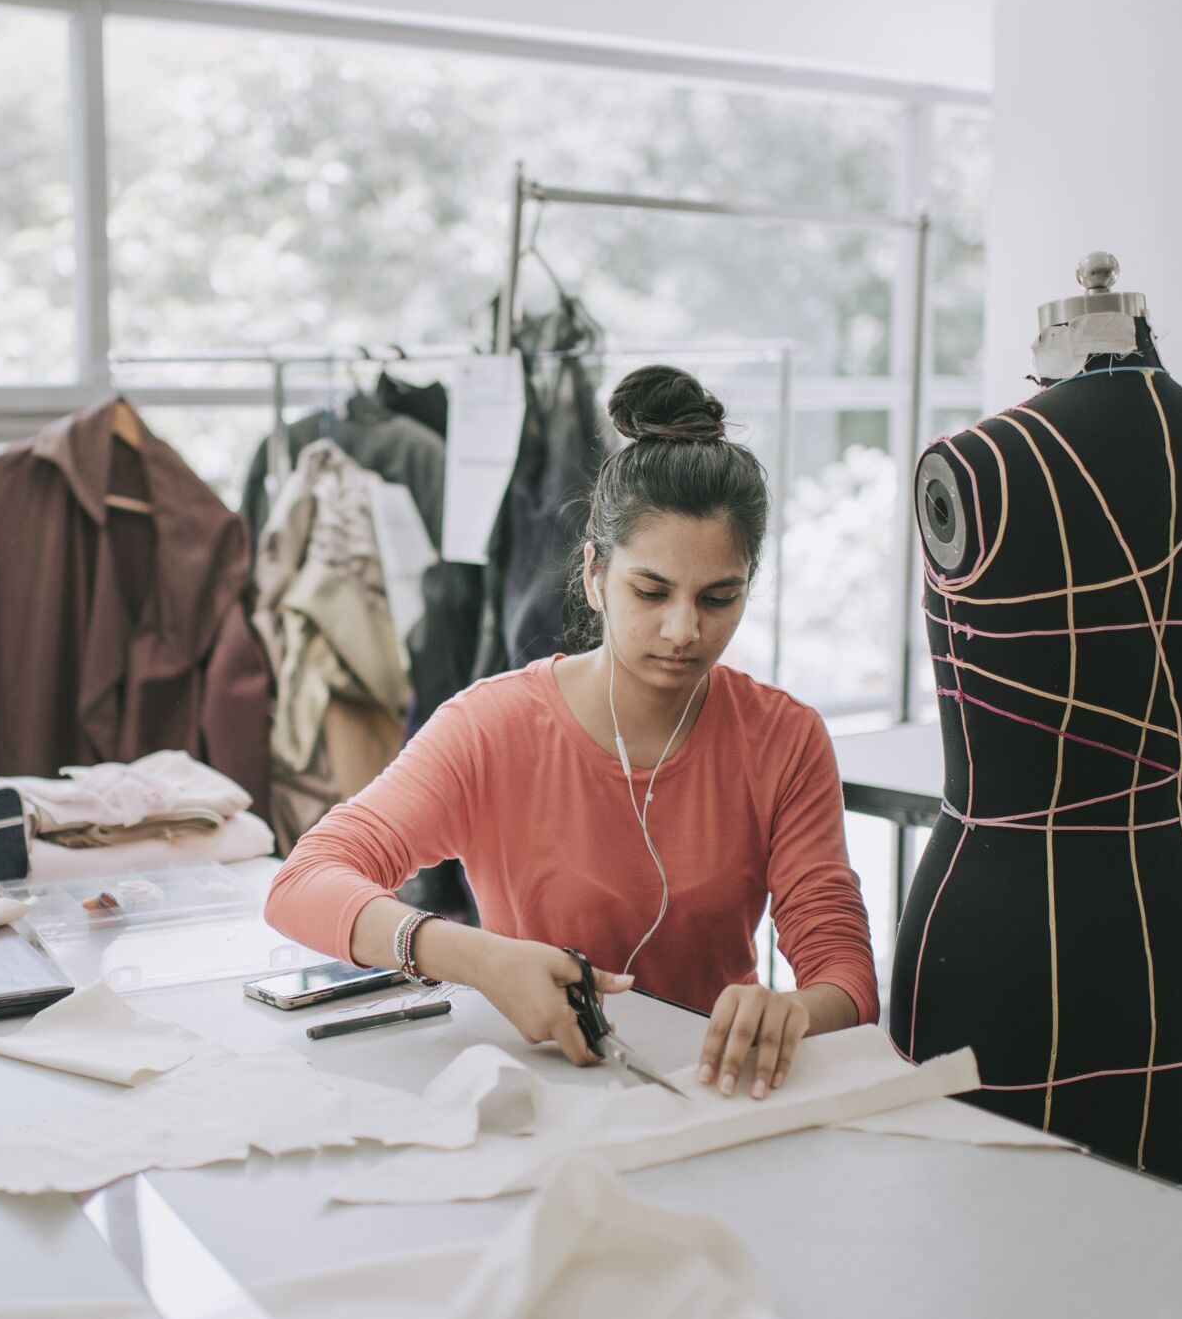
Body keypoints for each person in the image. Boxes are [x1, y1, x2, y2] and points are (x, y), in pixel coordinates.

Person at [264, 365, 877, 1099]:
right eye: (650, 592)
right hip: (540, 1097)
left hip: (712, 1095)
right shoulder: (492, 727)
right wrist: (476, 957)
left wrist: (792, 1013)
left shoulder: (784, 738)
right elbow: (303, 882)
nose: (684, 630)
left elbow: (846, 976)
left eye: (719, 597)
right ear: (593, 575)